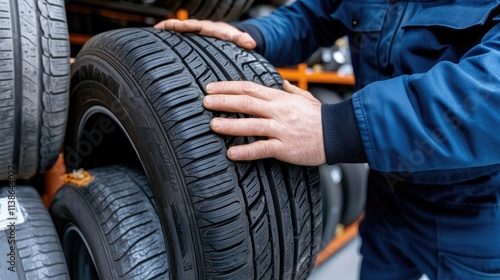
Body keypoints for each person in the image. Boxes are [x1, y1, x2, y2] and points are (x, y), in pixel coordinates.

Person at [155, 1, 500, 279]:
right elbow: (314, 14)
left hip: (472, 215)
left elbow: (490, 95)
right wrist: (252, 35)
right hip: (388, 200)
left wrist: (333, 128)